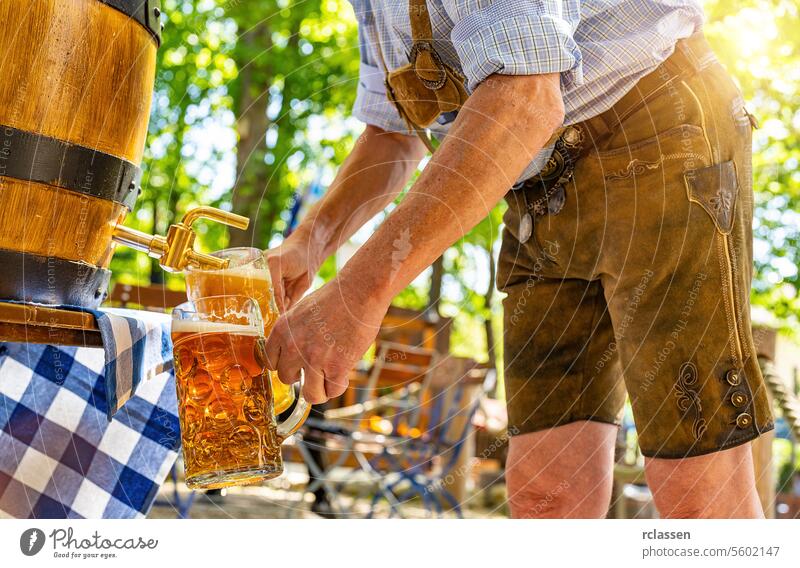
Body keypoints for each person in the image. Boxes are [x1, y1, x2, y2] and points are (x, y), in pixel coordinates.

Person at [263, 0, 773, 518]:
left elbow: (523, 99)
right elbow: (392, 134)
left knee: (697, 495)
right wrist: (309, 241)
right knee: (545, 496)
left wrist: (357, 293)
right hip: (534, 188)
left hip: (659, 137)